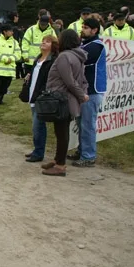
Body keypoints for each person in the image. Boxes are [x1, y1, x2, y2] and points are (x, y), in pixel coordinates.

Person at [42, 29, 89, 177]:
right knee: (61, 131)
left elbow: (69, 81)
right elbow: (82, 79)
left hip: (62, 100)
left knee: (61, 132)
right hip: (69, 99)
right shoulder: (78, 56)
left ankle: (60, 165)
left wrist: (81, 95)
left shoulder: (64, 57)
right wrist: (83, 93)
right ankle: (57, 159)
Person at [68, 18, 108, 167]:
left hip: (92, 91)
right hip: (83, 91)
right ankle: (82, 151)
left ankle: (89, 156)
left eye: (86, 28)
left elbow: (79, 58)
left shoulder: (96, 46)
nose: (82, 30)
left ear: (94, 30)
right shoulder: (85, 44)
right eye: (82, 27)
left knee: (87, 125)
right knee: (81, 124)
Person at [23, 35, 58, 162]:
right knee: (35, 124)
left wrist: (43, 93)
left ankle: (38, 152)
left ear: (53, 45)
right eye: (43, 41)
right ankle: (37, 149)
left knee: (38, 125)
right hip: (33, 93)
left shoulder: (53, 60)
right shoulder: (38, 58)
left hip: (41, 97)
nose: (43, 42)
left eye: (47, 41)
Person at [0, 24, 21, 105]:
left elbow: (18, 54)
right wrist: (5, 59)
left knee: (5, 87)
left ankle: (0, 99)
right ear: (4, 32)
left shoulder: (14, 42)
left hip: (9, 70)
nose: (12, 32)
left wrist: (11, 59)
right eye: (10, 31)